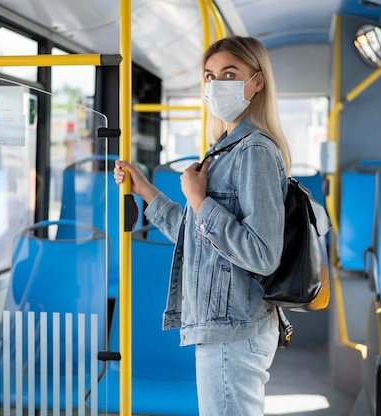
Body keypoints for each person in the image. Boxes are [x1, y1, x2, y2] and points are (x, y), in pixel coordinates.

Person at [114, 36, 292, 415]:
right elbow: (201, 239)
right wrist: (147, 191)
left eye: (230, 74)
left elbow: (262, 255)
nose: (216, 85)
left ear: (257, 81)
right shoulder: (223, 147)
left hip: (235, 328)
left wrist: (199, 200)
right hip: (223, 325)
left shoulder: (255, 151)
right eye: (210, 76)